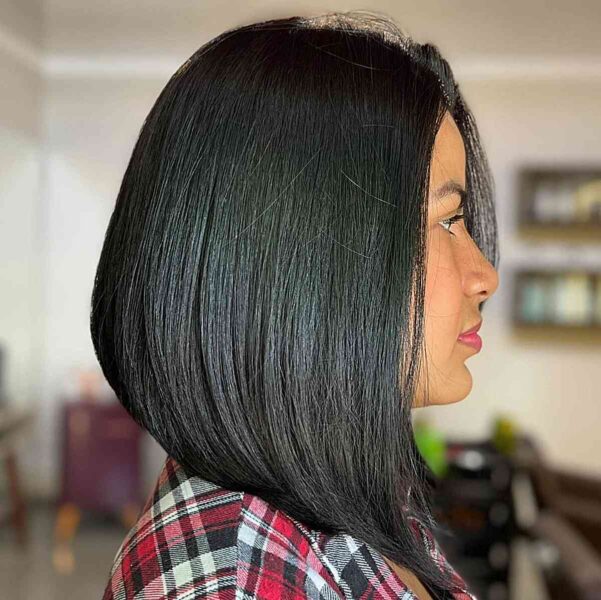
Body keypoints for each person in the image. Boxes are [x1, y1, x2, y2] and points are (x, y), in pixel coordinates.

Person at [92, 10, 499, 599]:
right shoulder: (234, 584)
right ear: (303, 263)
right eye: (446, 220)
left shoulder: (347, 495)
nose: (484, 276)